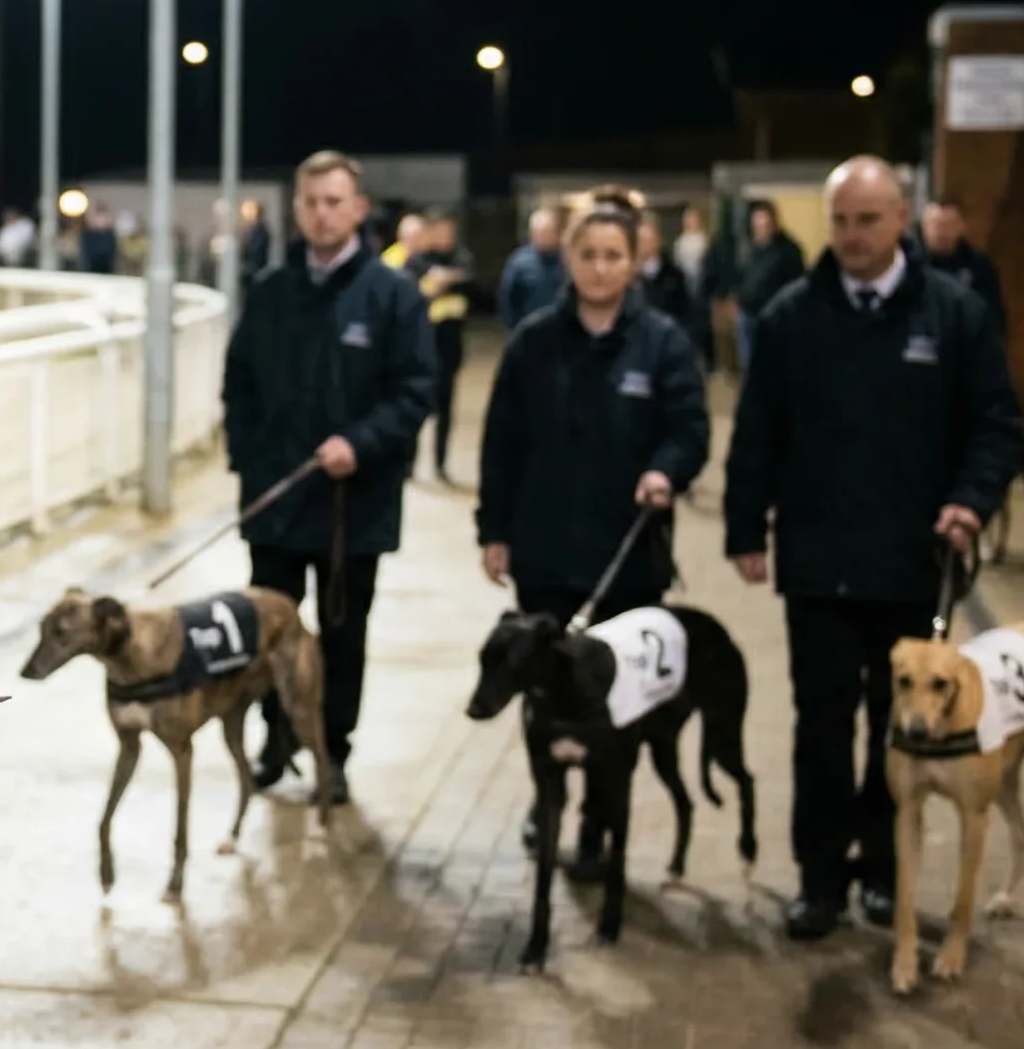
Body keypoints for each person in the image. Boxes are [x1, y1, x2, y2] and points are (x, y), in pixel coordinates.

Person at [723, 156, 1021, 942]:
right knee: (819, 726)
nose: (853, 237)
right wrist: (744, 527)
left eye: (868, 220)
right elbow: (757, 432)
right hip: (818, 565)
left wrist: (970, 501)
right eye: (841, 221)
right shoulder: (793, 317)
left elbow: (996, 423)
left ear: (901, 219)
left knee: (899, 733)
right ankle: (820, 881)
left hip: (911, 563)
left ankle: (885, 877)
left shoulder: (953, 314)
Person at [478, 186, 708, 875]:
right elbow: (502, 442)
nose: (601, 267)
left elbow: (690, 428)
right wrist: (495, 528)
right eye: (588, 254)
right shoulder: (534, 343)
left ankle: (599, 821)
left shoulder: (662, 343)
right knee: (547, 698)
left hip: (628, 560)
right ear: (568, 259)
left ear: (635, 260)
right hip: (546, 557)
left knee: (616, 708)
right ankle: (546, 798)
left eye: (614, 255)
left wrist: (666, 470)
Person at [223, 150, 436, 797]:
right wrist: (252, 465)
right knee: (267, 634)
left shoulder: (391, 296)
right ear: (297, 209)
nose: (322, 213)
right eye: (311, 202)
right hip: (278, 504)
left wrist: (362, 443)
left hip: (354, 507)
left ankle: (330, 749)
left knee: (343, 637)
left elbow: (416, 388)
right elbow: (240, 388)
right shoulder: (271, 292)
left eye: (334, 201)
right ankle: (275, 738)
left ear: (359, 209)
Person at [409, 210, 476, 483]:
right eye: (440, 231)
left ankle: (440, 464)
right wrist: (432, 287)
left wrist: (448, 279)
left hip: (450, 348)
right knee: (415, 410)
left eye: (449, 231)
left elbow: (473, 283)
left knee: (446, 412)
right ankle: (409, 466)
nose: (445, 237)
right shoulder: (417, 261)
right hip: (422, 349)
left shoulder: (462, 258)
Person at [731, 198, 806, 372]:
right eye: (757, 224)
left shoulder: (788, 251)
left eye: (764, 223)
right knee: (750, 367)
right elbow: (740, 277)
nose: (760, 228)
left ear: (774, 223)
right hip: (747, 316)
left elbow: (797, 285)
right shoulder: (750, 249)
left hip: (774, 319)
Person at [920, 194, 1007, 340]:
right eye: (936, 224)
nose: (942, 233)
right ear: (924, 227)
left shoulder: (979, 266)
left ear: (961, 226)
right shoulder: (909, 263)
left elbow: (994, 317)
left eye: (948, 225)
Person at [635, 215, 703, 365]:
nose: (643, 245)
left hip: (666, 345)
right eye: (640, 240)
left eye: (648, 240)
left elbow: (686, 313)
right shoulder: (628, 276)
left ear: (658, 241)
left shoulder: (674, 275)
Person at [496, 207, 566, 332]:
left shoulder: (569, 260)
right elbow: (507, 299)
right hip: (530, 329)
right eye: (538, 232)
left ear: (557, 233)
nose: (542, 237)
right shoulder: (519, 262)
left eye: (547, 232)